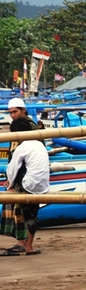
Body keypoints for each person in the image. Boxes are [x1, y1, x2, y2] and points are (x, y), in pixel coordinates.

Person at [4, 117, 49, 255]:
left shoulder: (22, 147)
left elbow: (11, 169)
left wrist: (10, 184)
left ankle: (24, 244)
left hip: (28, 184)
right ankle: (29, 246)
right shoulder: (40, 143)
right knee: (32, 215)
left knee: (26, 213)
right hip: (42, 186)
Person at [0, 98, 40, 254]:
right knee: (20, 210)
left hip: (25, 176)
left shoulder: (29, 128)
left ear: (23, 110)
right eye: (10, 113)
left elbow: (23, 156)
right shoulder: (17, 126)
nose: (13, 115)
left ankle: (25, 243)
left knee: (24, 210)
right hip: (19, 176)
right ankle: (23, 243)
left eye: (15, 112)